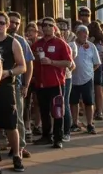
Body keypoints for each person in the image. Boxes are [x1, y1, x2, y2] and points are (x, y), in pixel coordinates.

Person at [0, 11, 26, 174]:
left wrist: (8, 72)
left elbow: (22, 66)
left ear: (7, 25)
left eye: (2, 23)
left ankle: (17, 154)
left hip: (6, 87)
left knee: (11, 123)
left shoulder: (13, 42)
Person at [31, 18, 73, 149]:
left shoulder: (61, 43)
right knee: (44, 111)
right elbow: (30, 60)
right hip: (40, 83)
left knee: (57, 111)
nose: (47, 27)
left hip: (56, 83)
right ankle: (46, 136)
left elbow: (69, 63)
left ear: (55, 28)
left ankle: (58, 138)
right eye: (44, 25)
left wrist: (51, 62)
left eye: (50, 25)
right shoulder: (37, 44)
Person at [7, 12, 34, 159]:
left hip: (16, 84)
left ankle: (20, 146)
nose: (14, 25)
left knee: (17, 117)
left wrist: (26, 84)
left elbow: (29, 65)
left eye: (17, 23)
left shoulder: (21, 41)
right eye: (11, 22)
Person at [70, 25, 100, 135]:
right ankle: (74, 123)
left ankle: (90, 124)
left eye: (86, 33)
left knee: (89, 102)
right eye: (82, 32)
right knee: (74, 102)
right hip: (73, 78)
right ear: (77, 34)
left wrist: (89, 71)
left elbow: (97, 63)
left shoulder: (91, 46)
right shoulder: (71, 45)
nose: (85, 35)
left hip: (87, 78)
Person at [88, 22, 103, 121]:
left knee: (96, 90)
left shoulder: (96, 40)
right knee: (101, 90)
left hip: (97, 67)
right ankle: (99, 111)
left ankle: (97, 111)